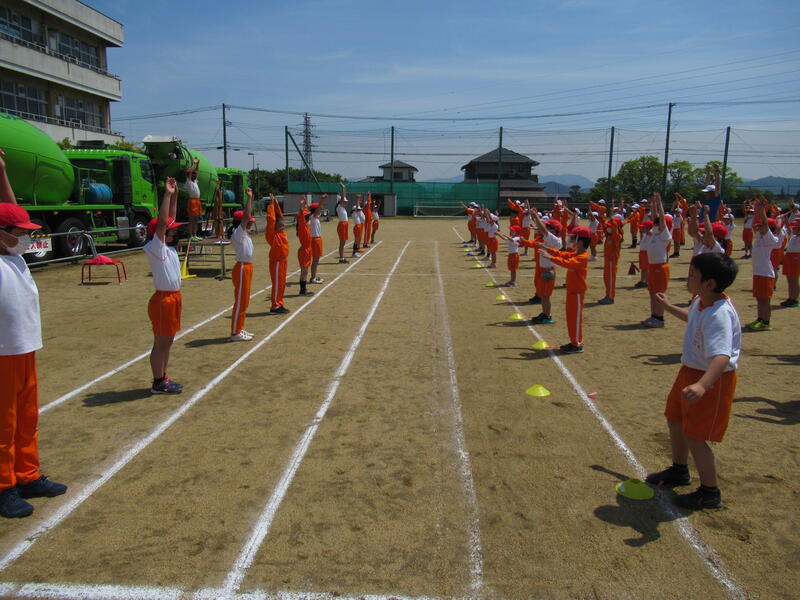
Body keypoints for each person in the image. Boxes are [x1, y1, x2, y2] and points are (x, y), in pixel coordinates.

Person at [0, 151, 68, 519]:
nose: (27, 238)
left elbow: (10, 211)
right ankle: (3, 486)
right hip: (3, 353)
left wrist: (2, 172)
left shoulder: (14, 256)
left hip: (24, 348)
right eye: (20, 233)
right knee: (4, 422)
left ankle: (27, 474)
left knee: (27, 417)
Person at [646, 251, 740, 509]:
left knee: (696, 435)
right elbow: (693, 318)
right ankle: (679, 469)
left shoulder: (719, 314)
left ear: (709, 284)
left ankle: (710, 492)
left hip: (711, 379)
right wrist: (669, 308)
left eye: (692, 276)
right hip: (689, 371)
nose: (687, 279)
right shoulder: (701, 301)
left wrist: (702, 385)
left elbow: (721, 356)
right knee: (675, 419)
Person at [143, 177, 185, 394]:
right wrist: (167, 195)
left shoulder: (169, 248)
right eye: (172, 231)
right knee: (161, 342)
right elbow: (162, 224)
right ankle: (158, 381)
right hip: (163, 300)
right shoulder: (156, 247)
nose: (174, 232)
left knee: (168, 341)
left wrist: (175, 195)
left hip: (174, 297)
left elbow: (170, 219)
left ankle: (163, 377)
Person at [536, 226, 592, 353]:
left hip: (577, 292)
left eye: (574, 238)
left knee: (575, 319)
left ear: (581, 242)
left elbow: (567, 263)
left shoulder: (582, 257)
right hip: (572, 291)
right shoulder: (576, 253)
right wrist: (548, 249)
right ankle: (574, 341)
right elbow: (563, 254)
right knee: (571, 318)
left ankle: (577, 344)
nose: (571, 240)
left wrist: (550, 257)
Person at [525, 208, 562, 324]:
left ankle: (547, 315)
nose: (546, 228)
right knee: (543, 295)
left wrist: (536, 217)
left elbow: (543, 230)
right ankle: (544, 313)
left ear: (554, 230)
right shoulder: (550, 239)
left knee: (546, 295)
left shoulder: (554, 240)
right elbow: (542, 230)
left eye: (548, 227)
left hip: (548, 271)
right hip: (544, 270)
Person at [642, 193, 672, 327]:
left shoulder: (665, 235)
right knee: (652, 293)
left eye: (657, 223)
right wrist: (653, 204)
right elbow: (655, 217)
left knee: (659, 294)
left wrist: (659, 203)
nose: (655, 224)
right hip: (652, 266)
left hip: (660, 267)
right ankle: (653, 315)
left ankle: (660, 318)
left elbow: (661, 219)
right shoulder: (655, 232)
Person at [229, 188, 256, 341]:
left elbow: (246, 218)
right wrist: (249, 199)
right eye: (248, 222)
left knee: (245, 300)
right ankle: (235, 332)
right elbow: (246, 216)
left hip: (247, 267)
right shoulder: (238, 233)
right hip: (241, 268)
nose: (250, 224)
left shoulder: (244, 233)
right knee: (240, 300)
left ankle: (239, 328)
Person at [265, 194, 289, 314]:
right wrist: (271, 204)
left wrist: (276, 204)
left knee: (282, 284)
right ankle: (274, 306)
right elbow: (271, 219)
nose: (283, 226)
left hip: (283, 261)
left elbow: (280, 215)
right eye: (280, 225)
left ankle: (279, 303)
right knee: (277, 284)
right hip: (277, 262)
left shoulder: (282, 233)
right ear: (275, 226)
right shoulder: (272, 235)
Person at [598, 216, 622, 305]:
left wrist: (613, 222)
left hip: (612, 261)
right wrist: (602, 218)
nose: (608, 228)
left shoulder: (617, 237)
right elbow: (604, 226)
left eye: (610, 226)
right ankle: (607, 295)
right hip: (607, 261)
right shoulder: (609, 236)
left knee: (611, 280)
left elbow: (615, 230)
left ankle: (611, 297)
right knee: (606, 279)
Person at [295, 195, 315, 298]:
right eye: (307, 216)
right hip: (304, 250)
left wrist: (305, 203)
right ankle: (302, 290)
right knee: (304, 271)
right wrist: (301, 206)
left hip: (307, 249)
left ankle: (303, 289)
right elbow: (301, 216)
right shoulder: (302, 226)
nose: (308, 217)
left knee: (305, 271)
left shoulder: (306, 225)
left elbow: (305, 213)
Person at [780, 208, 799, 307]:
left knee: (794, 280)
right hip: (789, 257)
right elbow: (788, 227)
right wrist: (785, 218)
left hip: (796, 258)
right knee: (790, 279)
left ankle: (794, 299)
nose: (793, 229)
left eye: (796, 228)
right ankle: (790, 297)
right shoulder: (794, 236)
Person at [183, 157, 203, 242]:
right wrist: (194, 163)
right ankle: (190, 235)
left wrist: (197, 164)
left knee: (196, 219)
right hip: (192, 201)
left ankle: (195, 234)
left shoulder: (195, 181)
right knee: (191, 219)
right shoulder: (188, 181)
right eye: (192, 174)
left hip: (197, 201)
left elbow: (196, 171)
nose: (194, 175)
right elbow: (190, 172)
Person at [309, 198, 324, 283]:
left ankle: (313, 276)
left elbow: (317, 210)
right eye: (319, 209)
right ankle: (313, 278)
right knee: (315, 260)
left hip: (318, 239)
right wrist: (322, 200)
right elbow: (316, 211)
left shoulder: (316, 218)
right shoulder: (312, 217)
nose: (320, 211)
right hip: (315, 239)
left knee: (316, 259)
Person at [336, 185, 349, 264]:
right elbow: (343, 197)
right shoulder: (339, 207)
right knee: (342, 242)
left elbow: (344, 198)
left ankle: (342, 257)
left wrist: (344, 189)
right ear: (341, 202)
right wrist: (343, 189)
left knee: (343, 242)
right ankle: (341, 258)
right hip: (342, 225)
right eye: (344, 201)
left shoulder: (343, 208)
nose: (346, 202)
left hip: (345, 225)